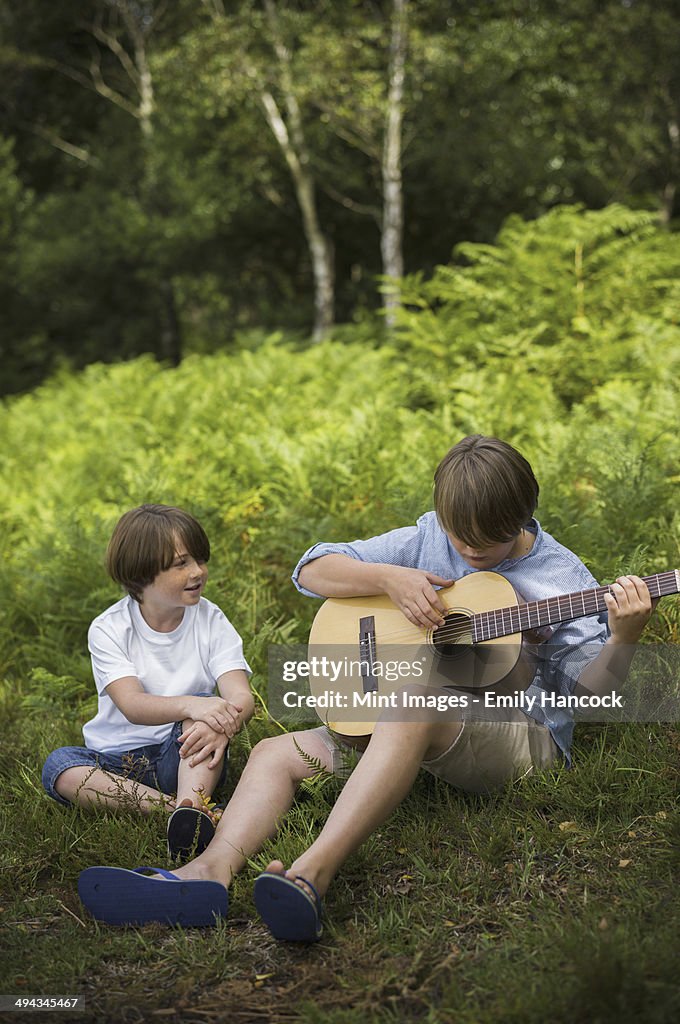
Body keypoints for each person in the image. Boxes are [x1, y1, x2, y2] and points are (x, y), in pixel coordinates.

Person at [77, 437, 654, 935]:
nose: (472, 551)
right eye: (460, 537)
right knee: (278, 753)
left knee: (413, 697)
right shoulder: (430, 537)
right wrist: (389, 578)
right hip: (413, 721)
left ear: (525, 515)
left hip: (519, 737)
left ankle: (311, 874)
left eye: (492, 541)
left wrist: (624, 636)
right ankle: (206, 874)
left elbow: (588, 696)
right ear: (441, 514)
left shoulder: (560, 578)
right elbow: (312, 569)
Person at [43, 504, 253, 861]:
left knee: (204, 714)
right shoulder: (110, 628)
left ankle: (191, 800)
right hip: (117, 764)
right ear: (141, 575)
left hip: (186, 757)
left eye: (200, 560)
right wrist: (195, 704)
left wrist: (223, 723)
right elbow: (132, 705)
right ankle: (176, 812)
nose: (198, 571)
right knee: (59, 766)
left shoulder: (210, 620)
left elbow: (241, 696)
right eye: (181, 563)